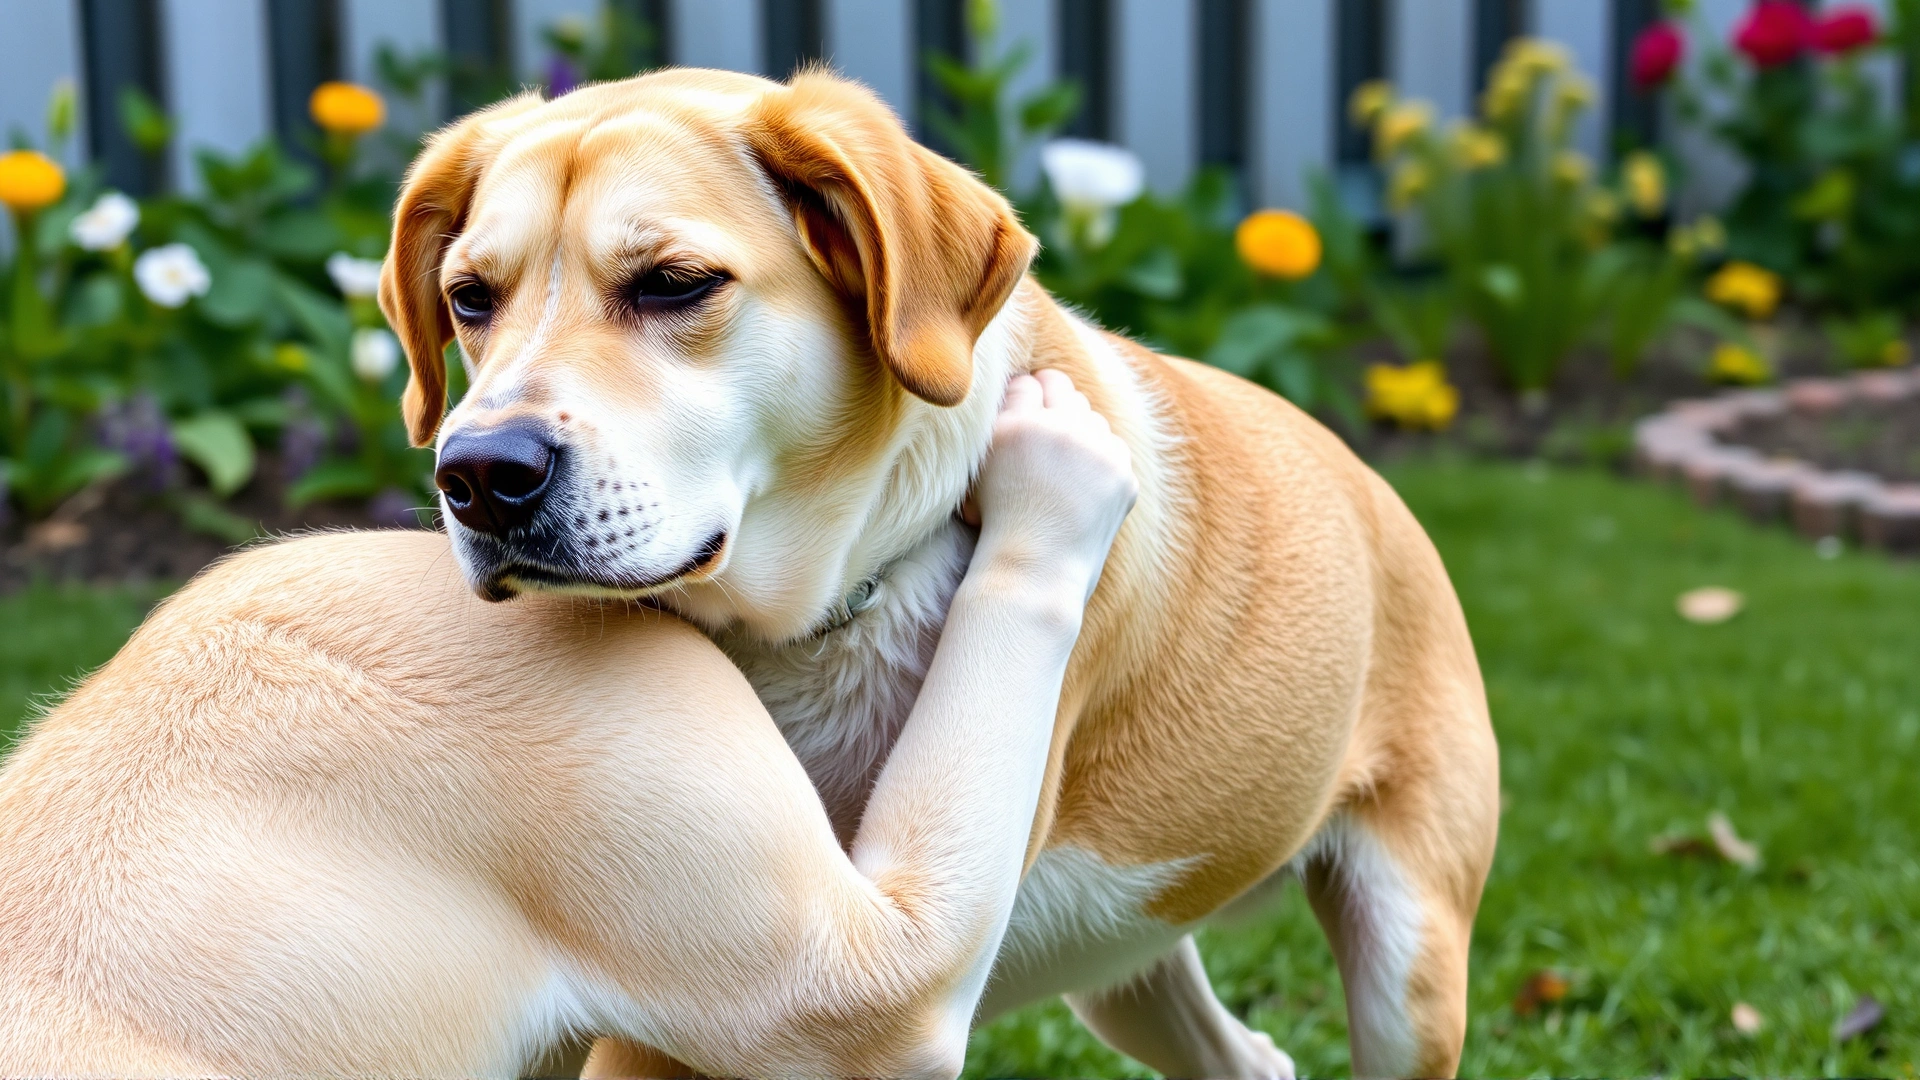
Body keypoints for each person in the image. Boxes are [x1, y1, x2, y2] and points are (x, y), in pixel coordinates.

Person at [0, 372, 1135, 1079]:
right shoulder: (583, 689)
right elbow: (881, 1023)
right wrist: (1035, 565)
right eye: (473, 300)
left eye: (672, 286)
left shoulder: (280, 617)